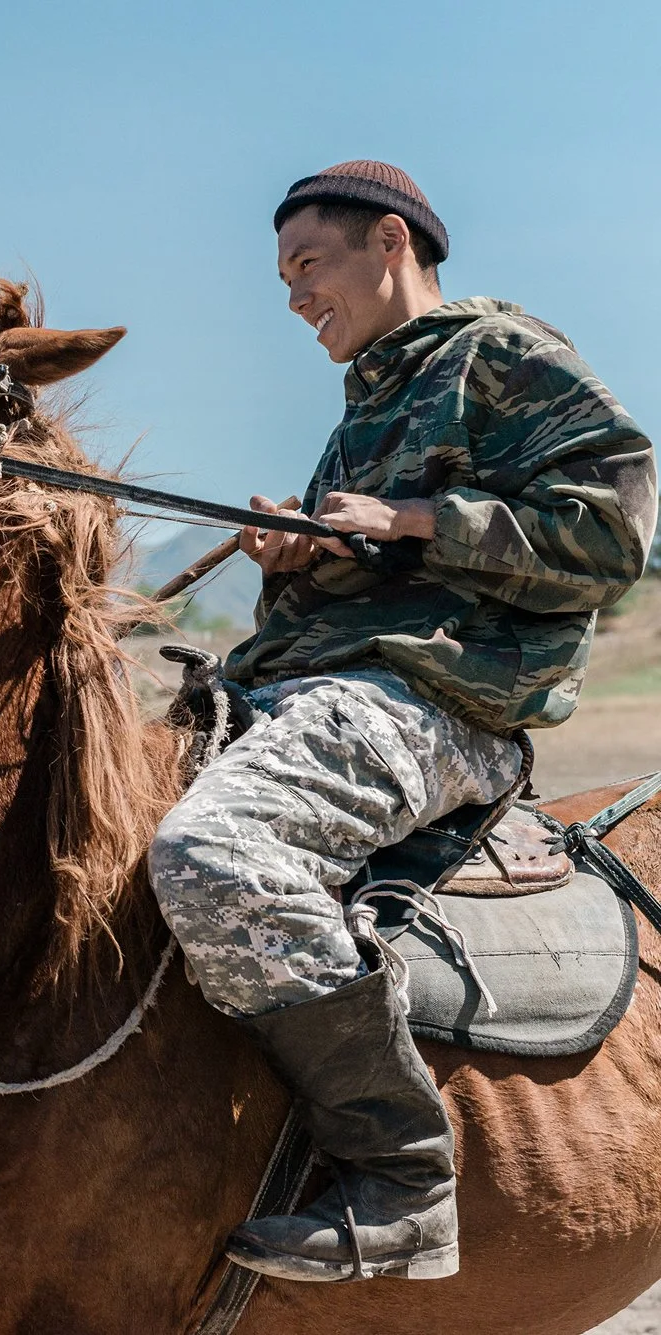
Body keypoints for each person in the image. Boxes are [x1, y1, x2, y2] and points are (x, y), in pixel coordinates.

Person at [148, 160, 656, 1282]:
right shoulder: (364, 405)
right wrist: (303, 560)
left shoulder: (501, 354)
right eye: (281, 280)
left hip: (435, 707)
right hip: (312, 683)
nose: (292, 298)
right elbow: (376, 578)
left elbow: (612, 531)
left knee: (213, 852)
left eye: (306, 266)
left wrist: (411, 516)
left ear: (390, 242)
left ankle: (401, 1178)